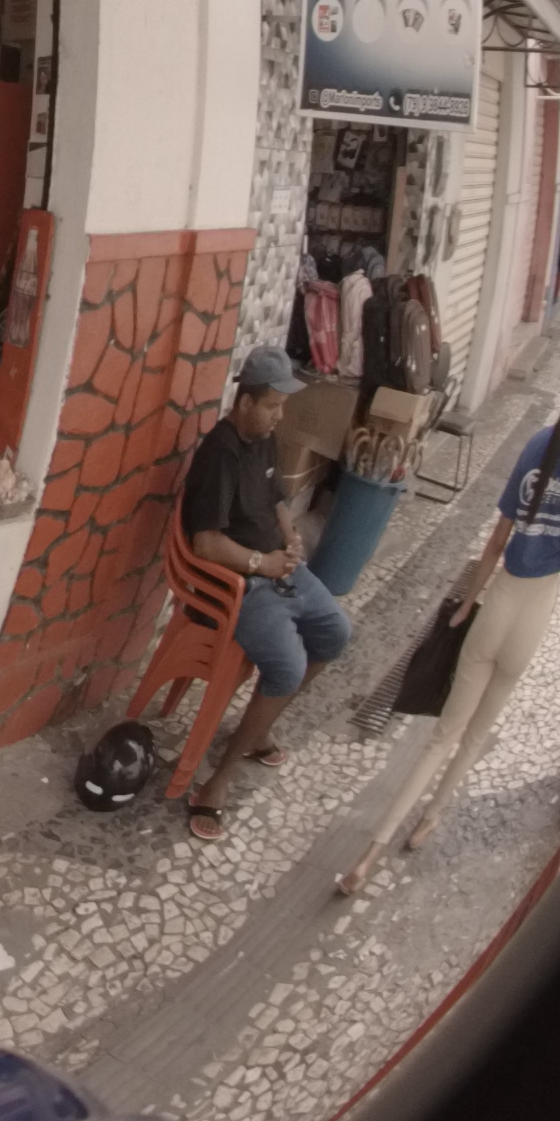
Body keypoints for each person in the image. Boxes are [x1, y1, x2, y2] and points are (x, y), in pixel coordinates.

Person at [337, 317, 560, 896]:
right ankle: (431, 820)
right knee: (473, 738)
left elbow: (495, 542)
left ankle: (369, 855)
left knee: (442, 735)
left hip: (498, 604)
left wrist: (467, 604)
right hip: (533, 615)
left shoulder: (539, 443)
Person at [177, 345, 351, 841]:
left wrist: (291, 539)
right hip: (239, 584)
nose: (280, 416)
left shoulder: (265, 440)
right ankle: (219, 779)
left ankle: (254, 731)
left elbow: (276, 500)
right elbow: (206, 543)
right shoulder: (222, 453)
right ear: (246, 402)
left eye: (283, 406)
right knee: (287, 668)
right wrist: (262, 563)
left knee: (336, 634)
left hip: (277, 569)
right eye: (273, 406)